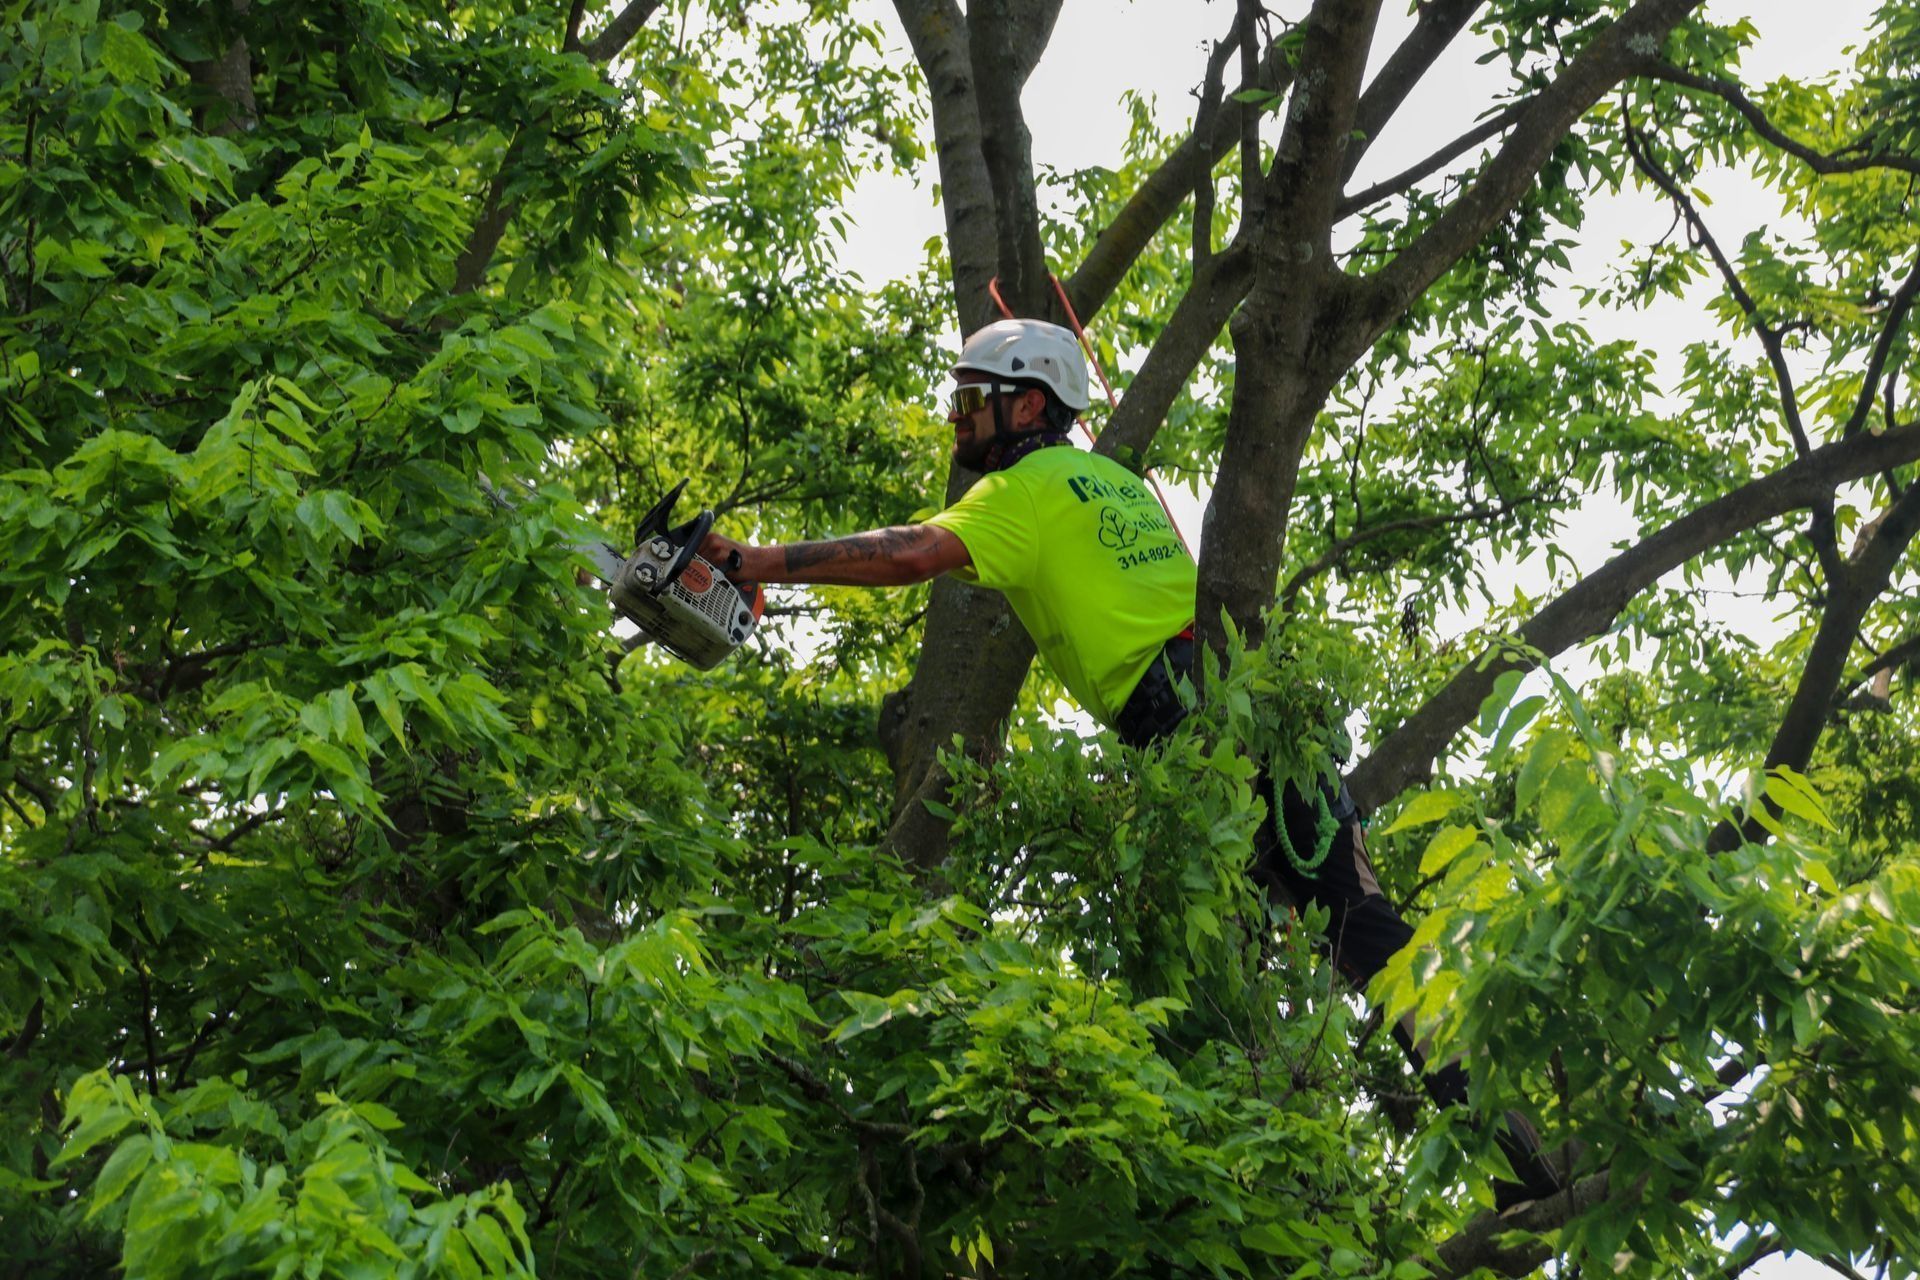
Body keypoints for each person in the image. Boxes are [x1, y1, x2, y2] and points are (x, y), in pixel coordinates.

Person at [701, 318, 1568, 1209]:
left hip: (1181, 715)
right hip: (1261, 705)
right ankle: (1518, 1161)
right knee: (1363, 928)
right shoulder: (1117, 483)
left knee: (1192, 969)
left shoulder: (1021, 492)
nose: (957, 420)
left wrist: (755, 559)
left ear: (1029, 403)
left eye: (972, 400)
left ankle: (1253, 1181)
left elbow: (913, 552)